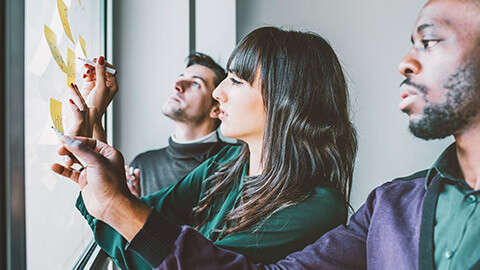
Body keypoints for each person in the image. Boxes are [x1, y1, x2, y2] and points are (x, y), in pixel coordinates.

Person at [51, 26, 358, 269]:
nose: (220, 92)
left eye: (236, 81)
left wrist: (111, 198)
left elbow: (172, 257)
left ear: (285, 102)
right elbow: (136, 228)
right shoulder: (224, 165)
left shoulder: (316, 206)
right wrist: (94, 123)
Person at [128, 52, 233, 197]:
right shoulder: (142, 166)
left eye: (196, 84)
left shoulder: (237, 160)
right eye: (180, 78)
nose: (177, 85)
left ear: (216, 109)